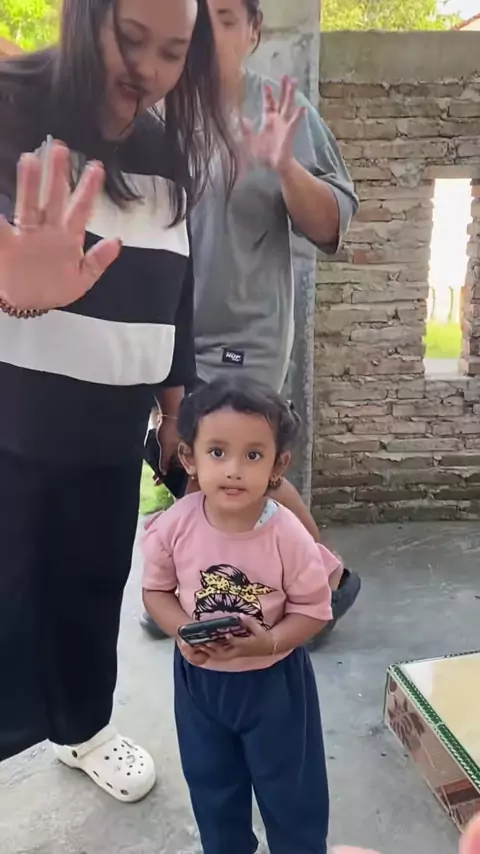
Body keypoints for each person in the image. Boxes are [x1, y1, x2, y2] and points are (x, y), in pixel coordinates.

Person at [0, 0, 237, 802]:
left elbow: (176, 291)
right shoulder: (12, 106)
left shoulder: (166, 148)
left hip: (110, 434)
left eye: (172, 52)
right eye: (131, 40)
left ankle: (83, 729)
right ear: (83, 17)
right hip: (10, 429)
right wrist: (14, 290)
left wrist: (175, 410)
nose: (150, 71)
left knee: (92, 590)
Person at [141, 0, 360, 644]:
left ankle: (324, 580)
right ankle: (195, 590)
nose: (209, 32)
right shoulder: (158, 111)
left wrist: (285, 165)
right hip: (169, 331)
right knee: (190, 462)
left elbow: (331, 225)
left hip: (245, 334)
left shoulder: (280, 111)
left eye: (227, 17)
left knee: (240, 461)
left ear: (254, 30)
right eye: (197, 16)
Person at [143, 377, 333, 854]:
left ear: (277, 465)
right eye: (217, 452)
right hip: (200, 681)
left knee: (291, 792)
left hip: (275, 684)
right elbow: (156, 591)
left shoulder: (288, 535)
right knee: (212, 785)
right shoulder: (175, 526)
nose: (233, 470)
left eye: (253, 455)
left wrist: (269, 641)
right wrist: (182, 630)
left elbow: (314, 610)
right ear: (189, 457)